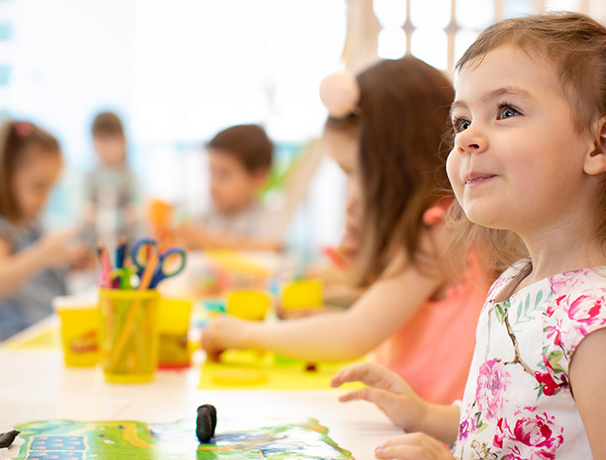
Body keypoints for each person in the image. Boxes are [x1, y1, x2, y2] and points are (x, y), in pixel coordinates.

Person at [330, 12, 606, 459]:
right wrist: (425, 415)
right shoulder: (518, 283)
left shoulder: (604, 325)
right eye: (461, 122)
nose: (467, 139)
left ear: (601, 144)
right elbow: (519, 426)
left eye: (506, 111)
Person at [201, 57, 495, 405]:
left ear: (398, 167)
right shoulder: (438, 227)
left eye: (354, 173)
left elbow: (352, 335)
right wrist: (329, 315)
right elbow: (386, 318)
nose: (350, 198)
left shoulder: (442, 234)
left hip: (429, 437)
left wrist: (243, 333)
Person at [0, 121, 87, 343]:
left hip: (44, 338)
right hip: (14, 349)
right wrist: (40, 256)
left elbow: (34, 279)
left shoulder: (29, 224)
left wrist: (65, 262)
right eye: (38, 186)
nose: (45, 199)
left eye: (51, 188)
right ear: (6, 175)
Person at [175, 124, 282, 251]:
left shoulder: (266, 216)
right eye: (211, 171)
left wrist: (206, 240)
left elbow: (271, 247)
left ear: (258, 178)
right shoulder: (206, 213)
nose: (213, 185)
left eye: (224, 174)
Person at [83, 111, 139, 246]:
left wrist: (115, 218)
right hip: (96, 247)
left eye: (112, 140)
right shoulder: (89, 178)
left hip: (127, 245)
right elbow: (85, 212)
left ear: (123, 141)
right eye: (102, 141)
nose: (107, 148)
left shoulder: (130, 177)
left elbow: (137, 212)